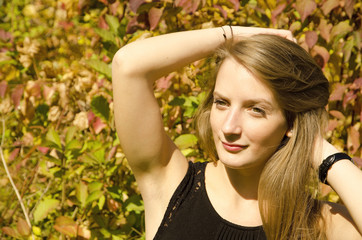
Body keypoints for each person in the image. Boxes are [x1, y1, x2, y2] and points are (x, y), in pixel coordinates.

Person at [112, 26, 362, 239]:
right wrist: (232, 35)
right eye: (221, 103)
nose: (229, 127)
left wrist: (320, 150)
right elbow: (128, 65)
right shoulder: (172, 185)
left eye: (255, 109)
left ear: (291, 122)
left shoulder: (317, 225)